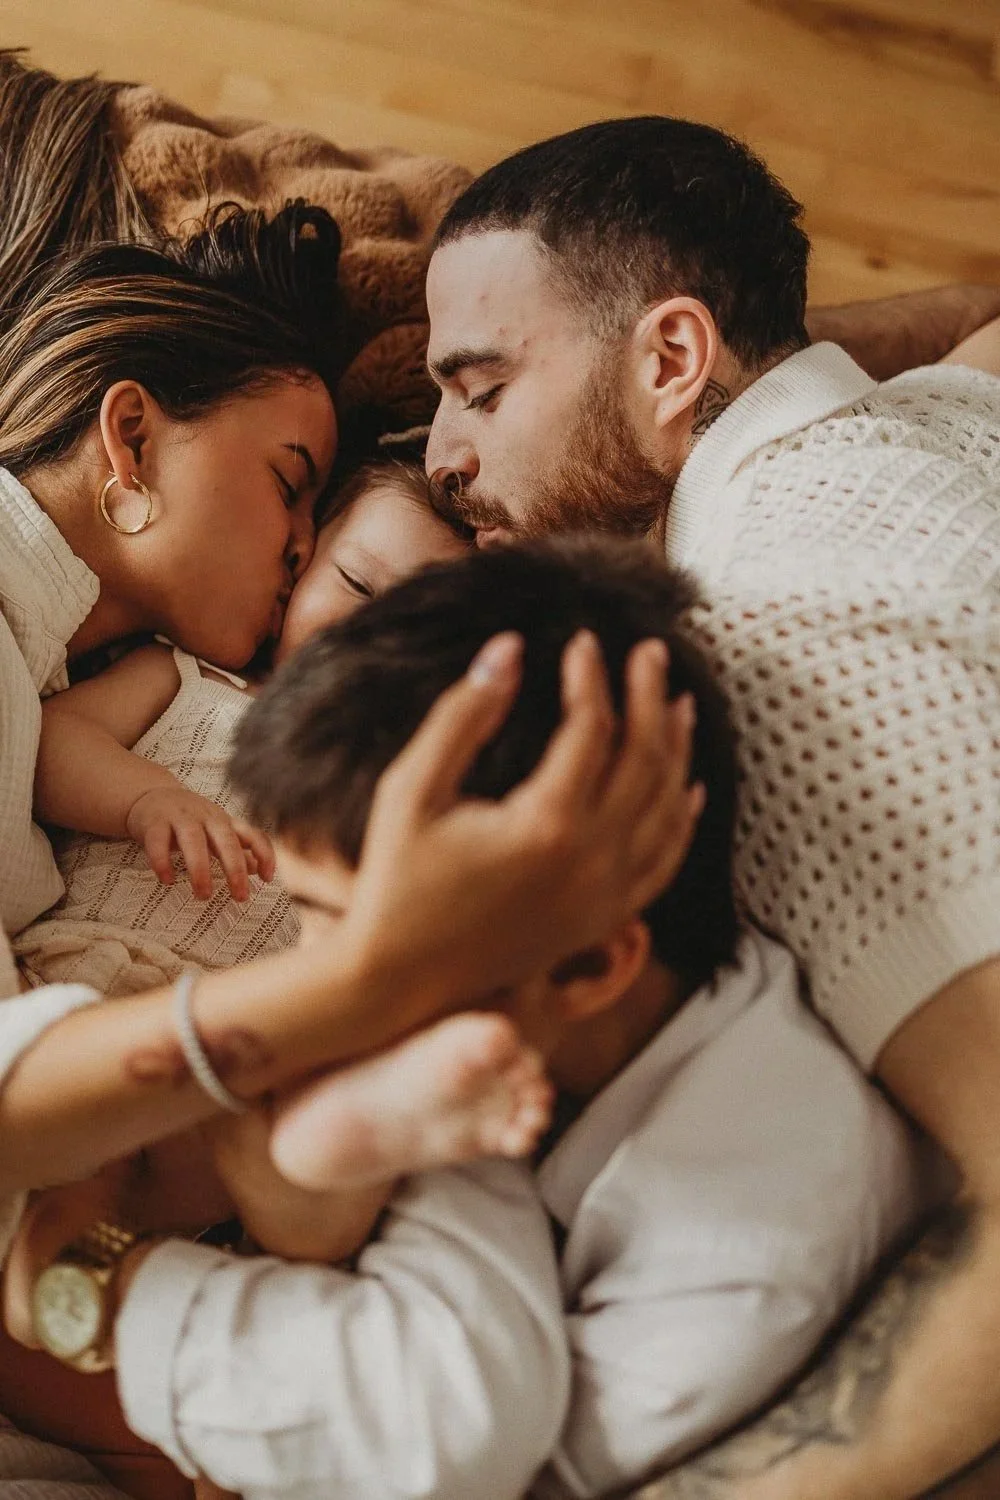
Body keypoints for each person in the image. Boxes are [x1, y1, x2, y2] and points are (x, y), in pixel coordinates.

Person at [0, 199, 701, 1499]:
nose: (294, 549)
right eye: (290, 492)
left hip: (198, 1118)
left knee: (330, 1237)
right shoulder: (150, 679)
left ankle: (305, 1167)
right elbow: (49, 756)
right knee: (436, 1386)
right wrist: (157, 805)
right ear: (131, 439)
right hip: (98, 1019)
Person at [421, 115, 1000, 1499]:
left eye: (480, 391)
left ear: (674, 357)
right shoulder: (935, 413)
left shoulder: (780, 659)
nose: (435, 456)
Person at [191, 533, 924, 1500]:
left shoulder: (743, 1254)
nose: (309, 977)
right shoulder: (537, 1012)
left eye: (342, 929)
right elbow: (268, 1163)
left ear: (583, 961)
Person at [20, 454, 554, 1190]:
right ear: (298, 569)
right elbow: (48, 745)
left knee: (252, 1158)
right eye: (357, 584)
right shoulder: (186, 677)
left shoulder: (398, 793)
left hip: (252, 1057)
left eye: (416, 642)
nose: (367, 634)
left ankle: (362, 1127)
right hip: (76, 984)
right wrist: (144, 799)